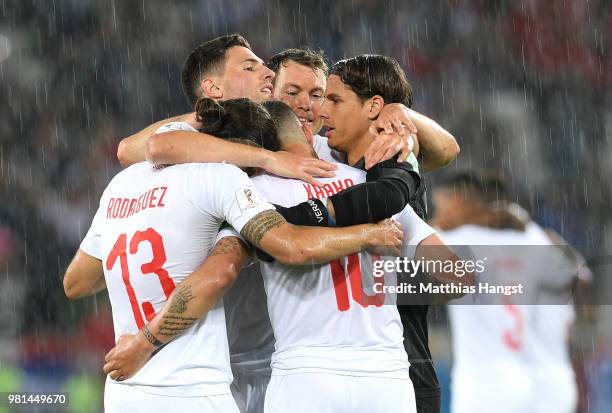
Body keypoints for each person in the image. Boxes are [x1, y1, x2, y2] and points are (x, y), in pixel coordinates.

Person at [62, 96, 404, 412]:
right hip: (192, 387)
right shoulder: (222, 178)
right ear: (245, 148)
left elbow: (77, 282)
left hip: (125, 390)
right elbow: (287, 249)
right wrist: (368, 234)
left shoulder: (122, 184)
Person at [431, 170, 587, 413]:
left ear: (460, 203)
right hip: (526, 378)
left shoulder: (457, 240)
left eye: (441, 205)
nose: (440, 213)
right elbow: (578, 274)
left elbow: (414, 240)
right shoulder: (529, 240)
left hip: (482, 382)